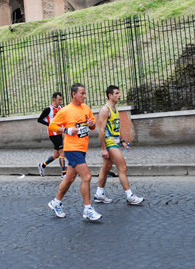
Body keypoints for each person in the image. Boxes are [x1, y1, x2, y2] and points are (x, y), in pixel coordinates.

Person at [47, 83, 102, 221]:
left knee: (70, 178)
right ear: (74, 94)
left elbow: (94, 125)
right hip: (72, 149)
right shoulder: (66, 110)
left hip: (82, 148)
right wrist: (66, 130)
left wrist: (91, 124)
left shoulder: (86, 108)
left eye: (85, 93)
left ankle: (56, 202)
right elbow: (52, 125)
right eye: (82, 93)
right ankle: (87, 209)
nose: (85, 96)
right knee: (87, 176)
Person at [94, 85, 144, 205]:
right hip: (109, 143)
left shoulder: (115, 109)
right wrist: (104, 149)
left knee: (105, 169)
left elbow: (116, 128)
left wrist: (122, 141)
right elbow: (101, 130)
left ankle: (99, 194)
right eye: (116, 93)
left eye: (119, 93)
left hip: (115, 142)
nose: (119, 95)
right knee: (122, 167)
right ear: (110, 95)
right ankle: (130, 196)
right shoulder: (105, 110)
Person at [37, 92, 67, 178]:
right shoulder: (48, 109)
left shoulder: (61, 108)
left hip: (59, 132)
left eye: (61, 99)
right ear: (54, 99)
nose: (61, 101)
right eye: (59, 100)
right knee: (62, 153)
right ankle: (64, 174)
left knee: (57, 154)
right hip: (52, 133)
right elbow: (39, 120)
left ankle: (42, 165)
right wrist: (49, 125)